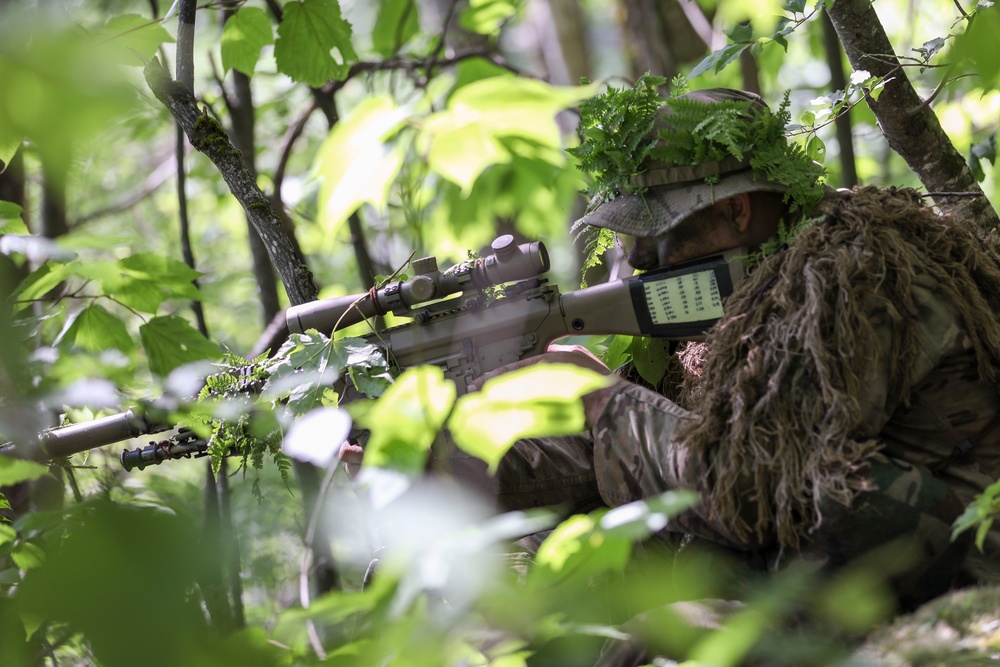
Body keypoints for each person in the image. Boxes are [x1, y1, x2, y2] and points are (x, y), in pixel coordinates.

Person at [486, 86, 1000, 612]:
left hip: (956, 579)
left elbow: (749, 486)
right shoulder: (752, 288)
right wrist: (465, 454)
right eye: (626, 239)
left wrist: (601, 399)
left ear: (735, 210)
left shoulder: (851, 276)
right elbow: (645, 441)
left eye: (655, 233)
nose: (638, 260)